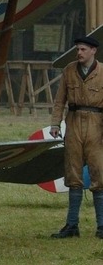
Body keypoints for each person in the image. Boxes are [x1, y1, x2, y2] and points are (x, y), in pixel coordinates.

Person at [49, 35, 103, 239]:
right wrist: (55, 124)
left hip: (96, 125)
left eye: (83, 49)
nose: (79, 53)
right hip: (73, 124)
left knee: (99, 176)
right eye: (77, 49)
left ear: (93, 51)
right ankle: (72, 225)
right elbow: (59, 100)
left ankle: (102, 226)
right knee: (73, 175)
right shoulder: (68, 71)